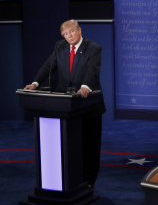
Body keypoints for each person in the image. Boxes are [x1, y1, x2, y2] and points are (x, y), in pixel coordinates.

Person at [24, 19, 106, 187]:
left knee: (89, 145)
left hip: (87, 104)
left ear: (79, 30)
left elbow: (92, 70)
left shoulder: (93, 48)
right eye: (65, 34)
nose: (69, 36)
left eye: (71, 32)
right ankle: (71, 178)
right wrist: (35, 83)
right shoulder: (60, 47)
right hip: (65, 106)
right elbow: (48, 66)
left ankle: (89, 180)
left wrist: (85, 86)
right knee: (70, 145)